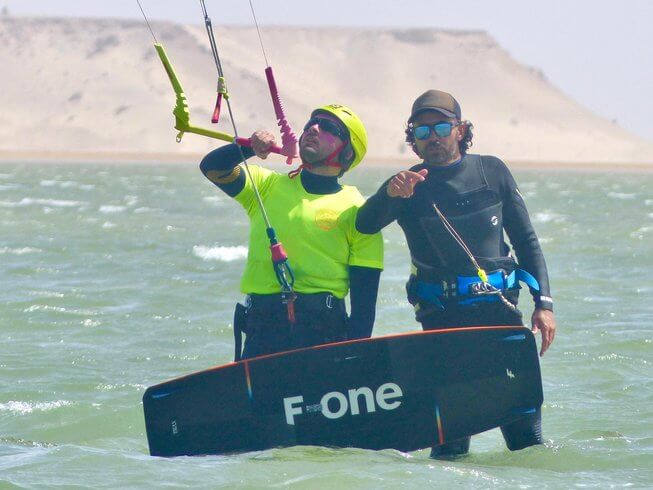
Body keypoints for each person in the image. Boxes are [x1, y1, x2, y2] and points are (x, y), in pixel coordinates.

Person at [356, 89, 556, 456]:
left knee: (527, 445)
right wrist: (390, 194)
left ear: (460, 129)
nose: (432, 136)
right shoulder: (406, 184)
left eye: (441, 127)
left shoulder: (491, 170)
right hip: (443, 324)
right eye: (421, 130)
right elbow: (364, 224)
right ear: (412, 138)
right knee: (449, 451)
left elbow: (526, 240)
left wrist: (543, 304)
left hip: (502, 319)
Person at [200, 104, 384, 361]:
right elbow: (213, 167)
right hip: (262, 334)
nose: (313, 129)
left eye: (328, 128)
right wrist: (249, 148)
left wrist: (352, 360)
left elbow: (364, 309)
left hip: (323, 336)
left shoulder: (359, 211)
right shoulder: (266, 185)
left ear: (348, 153)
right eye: (311, 124)